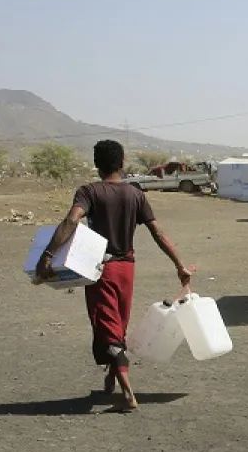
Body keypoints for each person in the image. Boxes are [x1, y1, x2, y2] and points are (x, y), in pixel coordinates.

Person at [34, 140, 192, 412]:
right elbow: (158, 233)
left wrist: (48, 255)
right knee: (117, 325)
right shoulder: (136, 194)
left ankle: (129, 396)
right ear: (122, 162)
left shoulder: (89, 192)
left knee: (108, 330)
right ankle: (111, 377)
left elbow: (72, 221)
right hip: (127, 270)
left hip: (101, 270)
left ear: (97, 165)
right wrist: (180, 265)